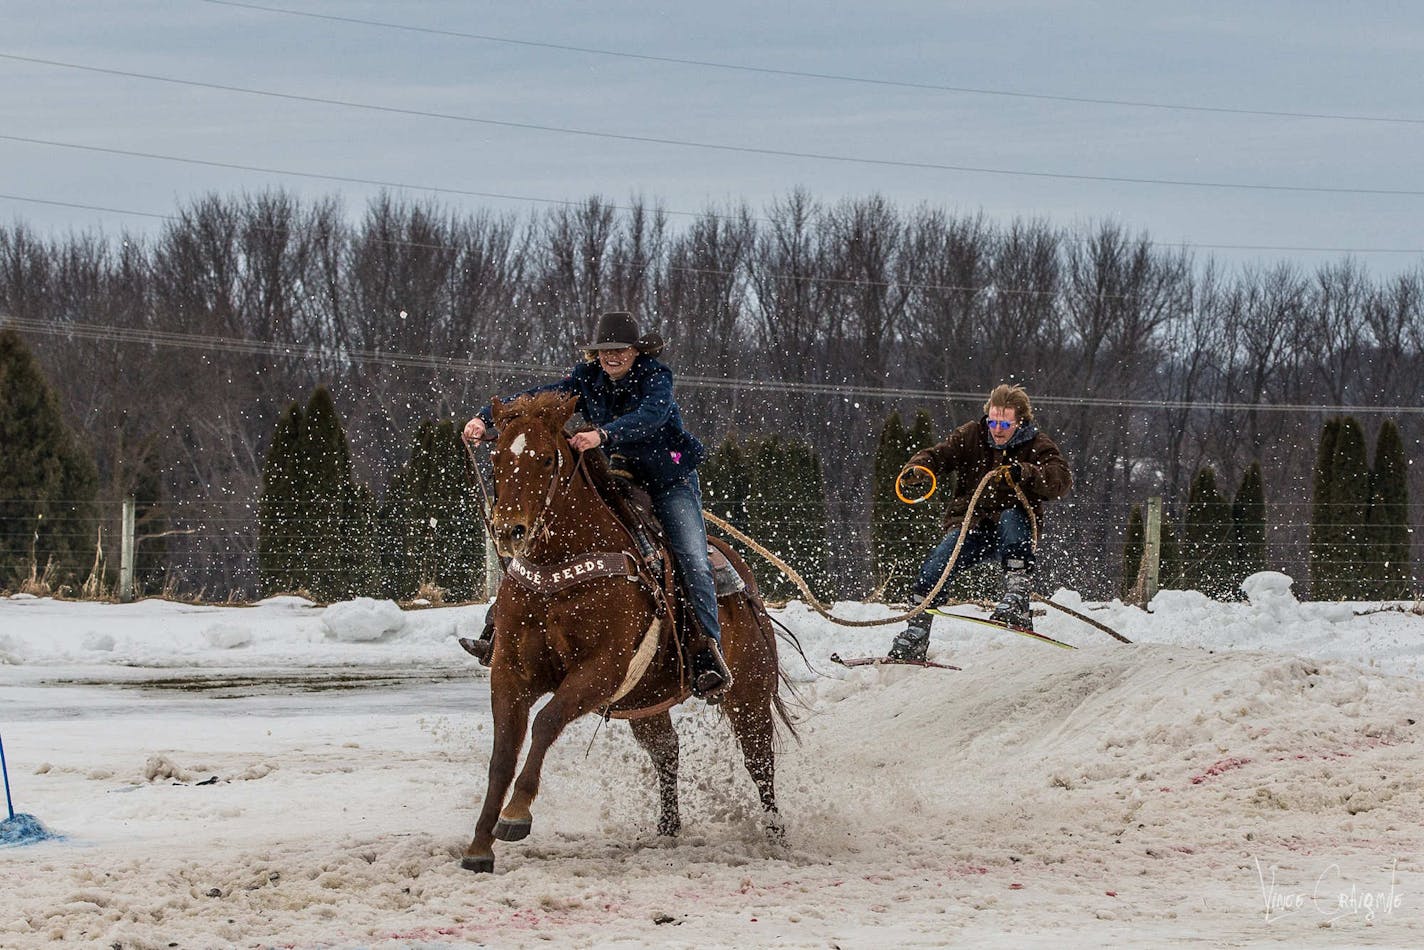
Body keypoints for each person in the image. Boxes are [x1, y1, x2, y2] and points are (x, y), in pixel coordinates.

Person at [459, 310, 733, 700]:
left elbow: (651, 417)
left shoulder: (657, 378)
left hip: (668, 478)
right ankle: (498, 630)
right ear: (596, 355)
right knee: (549, 531)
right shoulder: (586, 379)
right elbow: (539, 397)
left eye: (620, 350)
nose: (612, 357)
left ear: (635, 351)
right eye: (605, 351)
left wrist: (603, 434)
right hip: (616, 473)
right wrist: (485, 418)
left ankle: (707, 651)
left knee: (692, 556)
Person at [886, 383, 1072, 661]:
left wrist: (1026, 473)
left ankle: (1017, 597)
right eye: (994, 421)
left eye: (1005, 424)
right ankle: (917, 630)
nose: (997, 429)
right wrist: (920, 467)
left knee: (1010, 517)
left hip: (1014, 530)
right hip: (972, 526)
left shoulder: (1038, 445)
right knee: (937, 563)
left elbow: (1060, 479)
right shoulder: (971, 436)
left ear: (1020, 422)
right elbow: (939, 455)